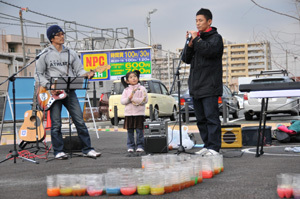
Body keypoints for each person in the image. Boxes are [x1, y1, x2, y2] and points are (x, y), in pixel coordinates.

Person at [35, 25, 101, 159]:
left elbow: (79, 71)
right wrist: (49, 86)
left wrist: (88, 74)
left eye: (62, 34)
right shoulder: (45, 54)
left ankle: (87, 149)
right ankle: (58, 151)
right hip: (53, 93)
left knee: (79, 121)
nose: (62, 36)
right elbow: (38, 74)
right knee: (56, 124)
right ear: (52, 38)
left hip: (70, 91)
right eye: (58, 34)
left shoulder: (71, 53)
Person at [182, 8, 224, 156]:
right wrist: (190, 45)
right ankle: (207, 145)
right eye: (196, 21)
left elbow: (209, 51)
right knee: (201, 119)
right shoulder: (196, 40)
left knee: (211, 118)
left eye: (200, 20)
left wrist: (197, 39)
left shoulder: (216, 38)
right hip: (196, 87)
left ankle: (214, 148)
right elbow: (185, 59)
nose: (197, 23)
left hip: (210, 86)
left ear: (209, 21)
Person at [120, 70, 148, 153]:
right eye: (131, 77)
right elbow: (122, 101)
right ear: (127, 81)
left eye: (135, 76)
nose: (134, 78)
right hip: (129, 114)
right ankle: (130, 146)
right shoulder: (126, 90)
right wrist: (129, 99)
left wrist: (134, 99)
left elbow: (145, 100)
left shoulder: (142, 88)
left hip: (139, 113)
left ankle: (140, 145)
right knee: (130, 131)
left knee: (139, 130)